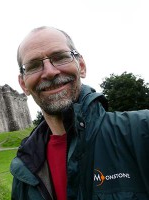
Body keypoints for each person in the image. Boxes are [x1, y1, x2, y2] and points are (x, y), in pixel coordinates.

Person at [10, 26, 149, 200]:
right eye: (34, 66)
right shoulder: (24, 166)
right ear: (23, 84)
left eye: (60, 57)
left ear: (81, 66)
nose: (50, 72)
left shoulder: (141, 131)